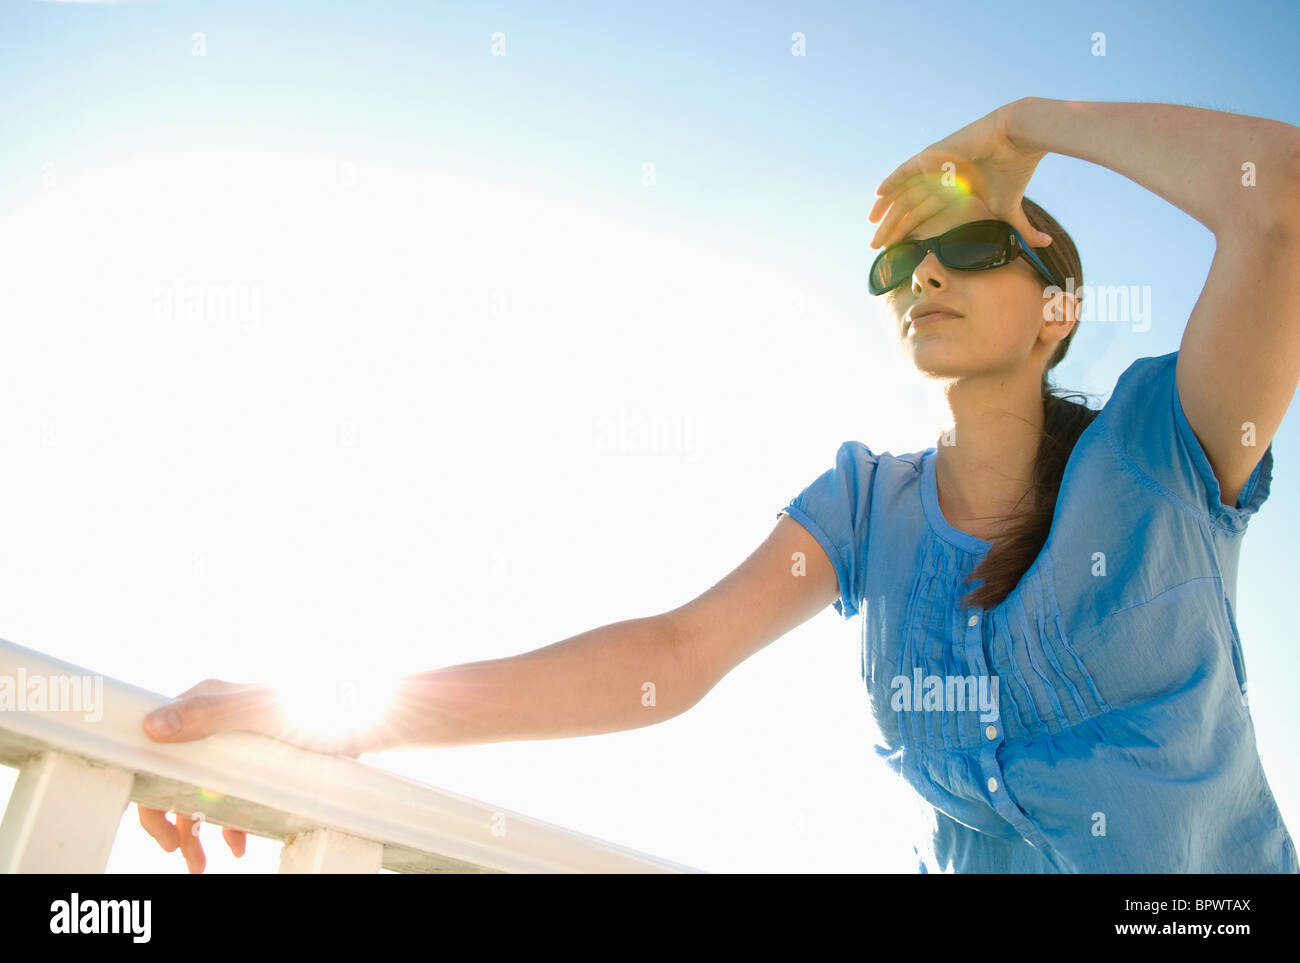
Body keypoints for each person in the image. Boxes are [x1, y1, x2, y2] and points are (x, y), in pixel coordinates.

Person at [140, 97, 1300, 873]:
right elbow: (666, 660)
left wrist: (1028, 126)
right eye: (902, 259)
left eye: (979, 242)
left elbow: (1281, 200)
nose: (927, 270)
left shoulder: (1164, 445)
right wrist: (325, 719)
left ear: (1059, 310)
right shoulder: (865, 507)